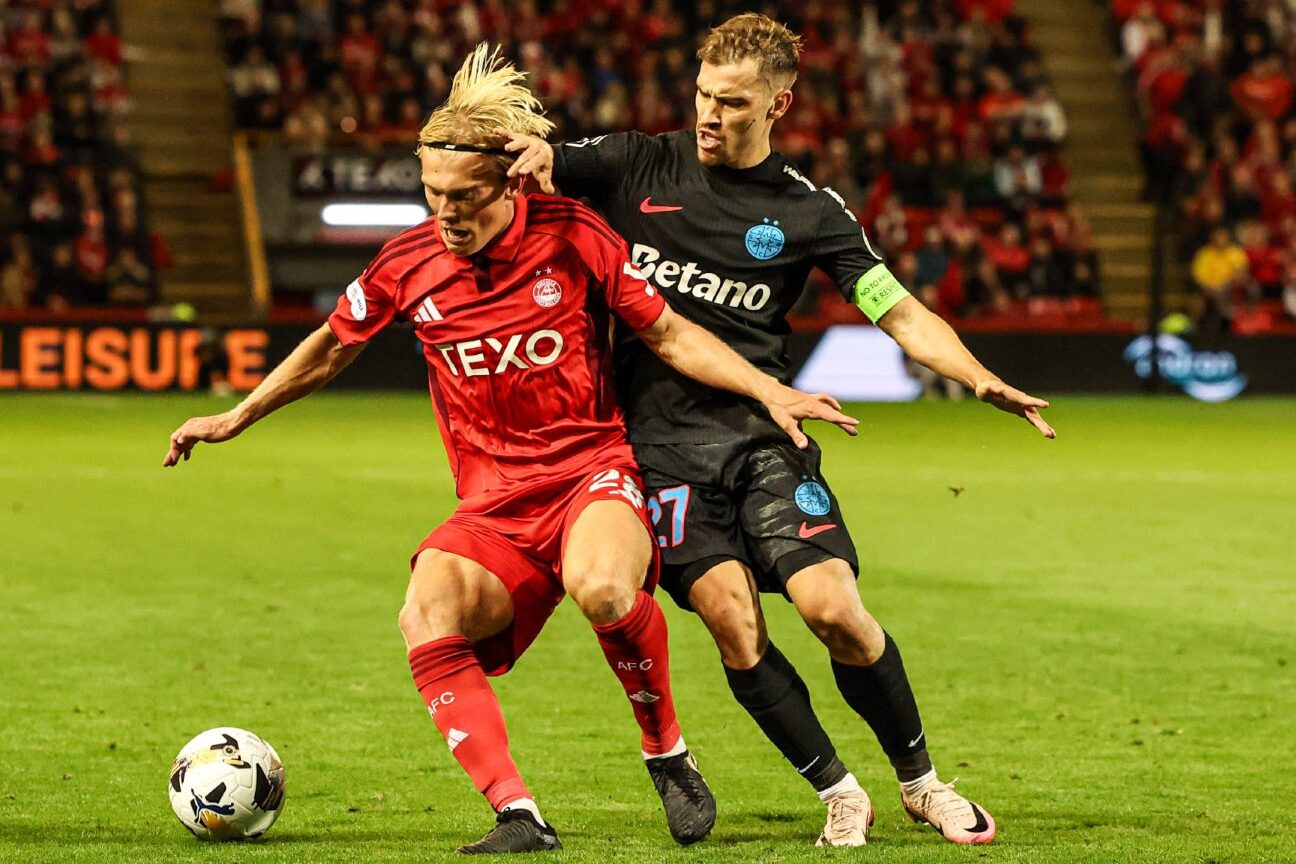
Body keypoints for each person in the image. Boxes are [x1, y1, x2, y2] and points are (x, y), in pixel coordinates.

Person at [162, 44, 859, 855]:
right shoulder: (407, 263)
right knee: (425, 613)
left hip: (591, 473)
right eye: (432, 196)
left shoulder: (574, 236)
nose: (447, 214)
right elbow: (327, 347)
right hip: (492, 503)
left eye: (464, 198)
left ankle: (665, 749)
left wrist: (766, 388)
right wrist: (236, 415)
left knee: (603, 587)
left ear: (509, 185)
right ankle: (517, 813)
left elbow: (667, 333)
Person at [504, 12, 1055, 848]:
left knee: (832, 608)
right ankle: (838, 790)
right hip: (656, 454)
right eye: (701, 95)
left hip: (765, 435)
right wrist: (539, 154)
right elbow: (546, 161)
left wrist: (974, 373)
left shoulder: (807, 212)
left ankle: (922, 782)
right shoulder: (636, 163)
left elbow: (894, 307)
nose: (709, 115)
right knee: (731, 616)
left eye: (730, 102)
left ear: (779, 104)